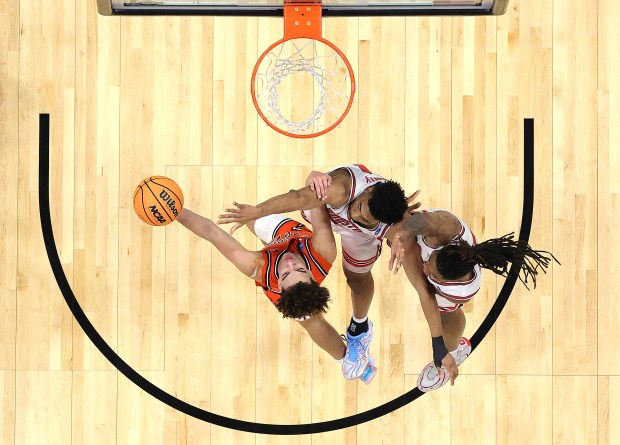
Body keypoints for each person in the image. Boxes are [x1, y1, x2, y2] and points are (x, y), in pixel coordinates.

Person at [217, 165, 418, 380]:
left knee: (357, 280)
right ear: (368, 191)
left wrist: (403, 235)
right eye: (359, 206)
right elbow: (299, 198)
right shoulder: (340, 190)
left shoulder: (391, 222)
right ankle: (348, 357)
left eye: (363, 216)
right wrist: (257, 211)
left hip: (357, 235)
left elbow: (422, 227)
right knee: (254, 217)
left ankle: (360, 328)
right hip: (325, 207)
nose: (355, 213)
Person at [389, 209, 559, 392]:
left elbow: (425, 292)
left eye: (431, 272)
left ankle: (453, 351)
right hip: (421, 235)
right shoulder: (448, 229)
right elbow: (424, 220)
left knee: (445, 314)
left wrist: (438, 343)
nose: (425, 269)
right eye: (429, 261)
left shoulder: (458, 291)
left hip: (446, 293)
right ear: (443, 248)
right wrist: (402, 232)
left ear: (447, 280)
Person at [176, 202, 349, 365]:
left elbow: (211, 232)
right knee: (252, 216)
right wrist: (316, 181)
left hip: (272, 259)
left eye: (286, 273)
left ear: (279, 285)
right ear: (311, 274)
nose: (290, 264)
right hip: (289, 233)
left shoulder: (256, 266)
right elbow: (316, 202)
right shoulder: (323, 252)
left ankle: (347, 360)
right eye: (300, 269)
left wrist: (175, 211)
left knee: (310, 318)